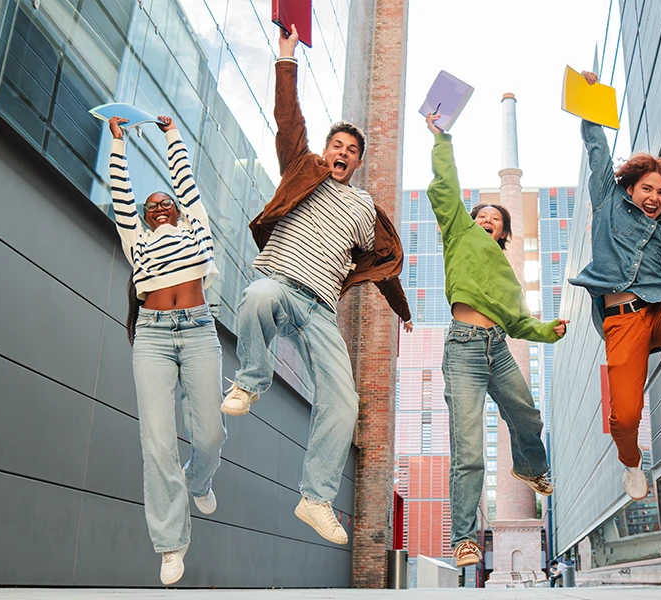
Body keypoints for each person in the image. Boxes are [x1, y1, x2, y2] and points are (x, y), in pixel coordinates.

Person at [219, 27, 411, 545]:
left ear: (359, 161)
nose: (342, 153)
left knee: (344, 402)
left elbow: (385, 264)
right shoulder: (303, 169)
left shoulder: (364, 209)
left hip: (320, 311)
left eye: (352, 150)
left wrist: (404, 311)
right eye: (337, 145)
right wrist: (286, 56)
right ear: (325, 150)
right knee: (256, 295)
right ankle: (251, 379)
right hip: (280, 283)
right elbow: (289, 119)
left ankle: (315, 498)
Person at [424, 113, 567, 567]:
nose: (486, 219)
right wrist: (442, 139)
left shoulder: (506, 272)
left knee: (527, 415)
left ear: (504, 233)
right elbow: (445, 189)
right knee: (468, 448)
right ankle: (465, 537)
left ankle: (529, 466)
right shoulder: (458, 235)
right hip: (464, 347)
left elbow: (520, 320)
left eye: (495, 218)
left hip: (498, 349)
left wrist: (548, 331)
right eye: (481, 214)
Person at [567, 71, 661, 503]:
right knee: (624, 416)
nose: (654, 196)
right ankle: (631, 463)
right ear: (630, 188)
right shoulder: (608, 201)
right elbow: (597, 152)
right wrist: (591, 100)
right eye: (647, 188)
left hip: (658, 308)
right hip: (622, 322)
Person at [108, 114, 226, 585]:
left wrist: (171, 135)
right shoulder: (136, 241)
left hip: (198, 331)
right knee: (157, 441)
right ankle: (172, 543)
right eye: (151, 205)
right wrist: (118, 145)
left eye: (166, 203)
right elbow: (121, 195)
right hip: (153, 338)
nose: (158, 207)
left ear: (180, 211)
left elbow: (187, 181)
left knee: (211, 433)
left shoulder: (197, 228)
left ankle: (199, 478)